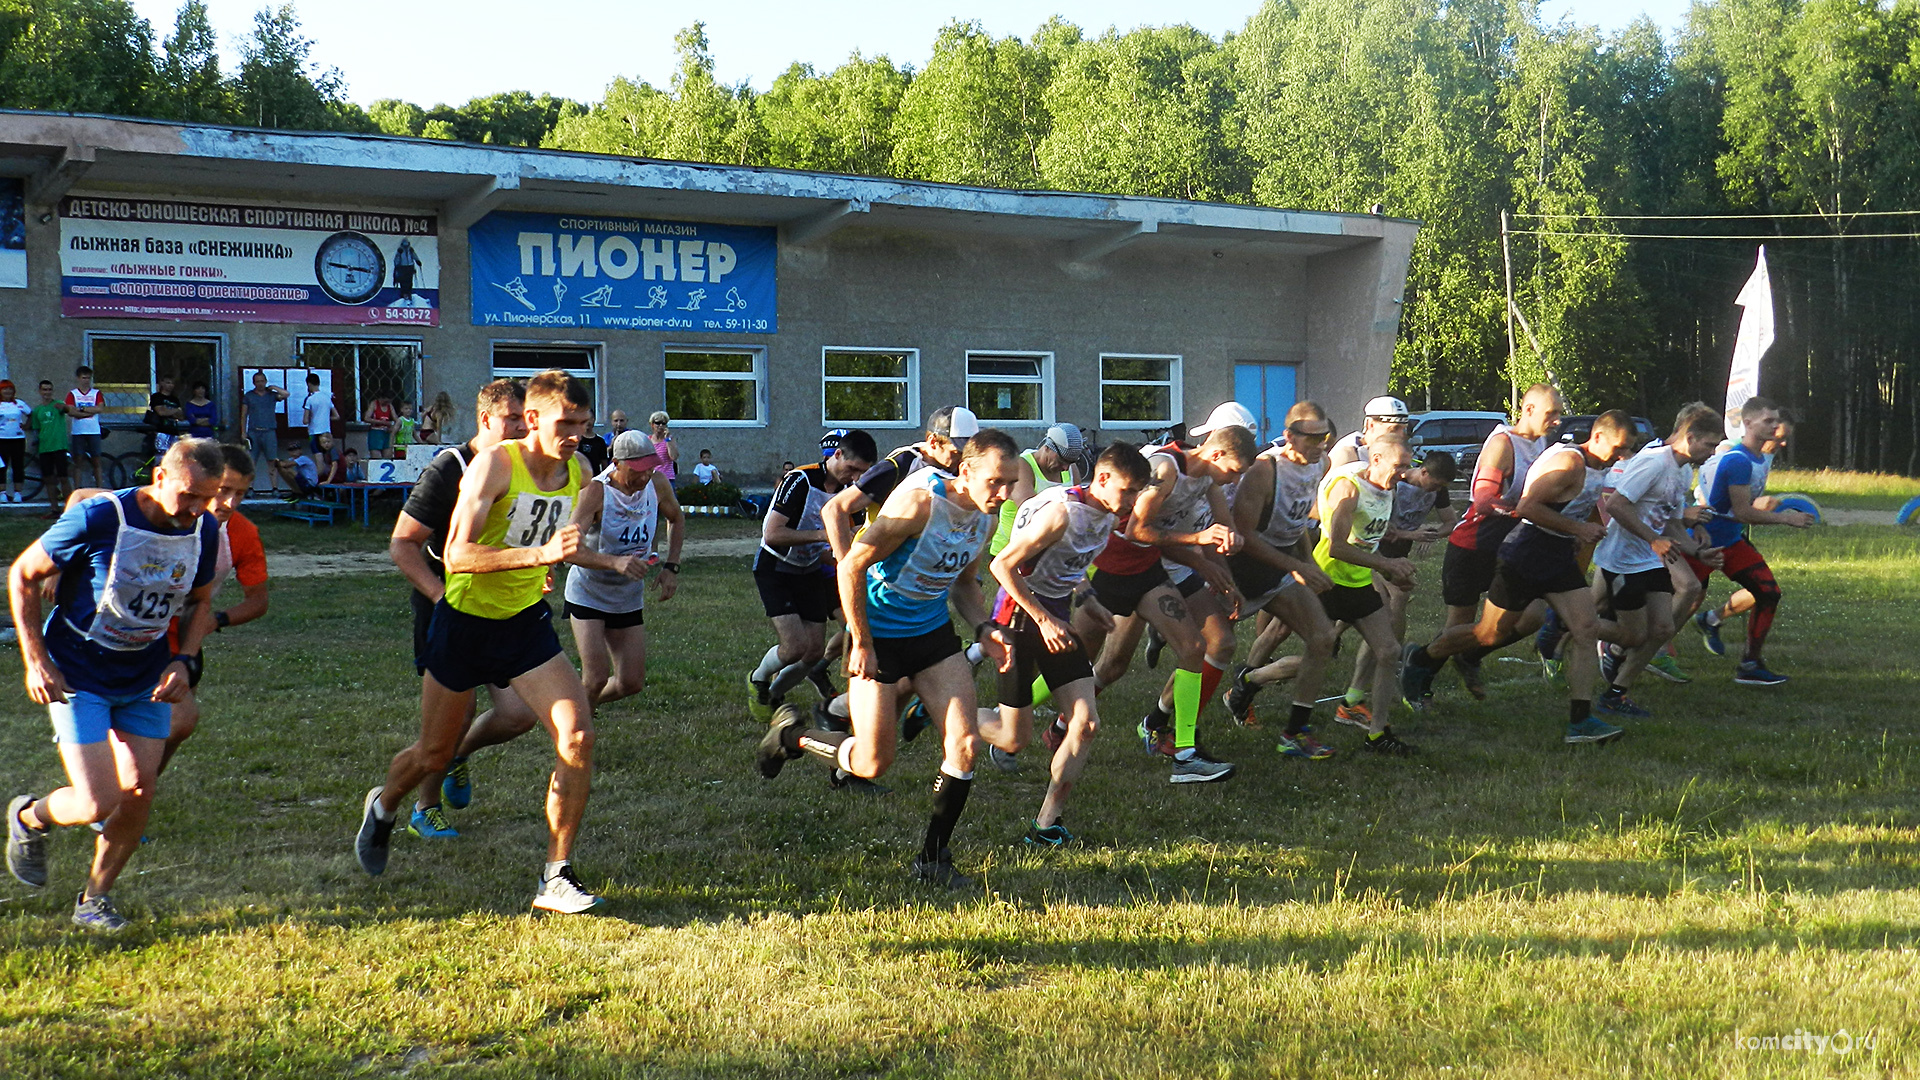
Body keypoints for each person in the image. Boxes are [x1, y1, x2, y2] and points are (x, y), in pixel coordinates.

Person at [355, 370, 605, 915]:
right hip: (463, 622)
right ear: (532, 419)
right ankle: (385, 803)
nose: (576, 436)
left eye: (585, 425)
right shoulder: (493, 464)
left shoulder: (578, 469)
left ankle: (555, 877)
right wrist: (536, 557)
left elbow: (549, 538)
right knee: (433, 754)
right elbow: (458, 554)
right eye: (566, 423)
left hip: (523, 622)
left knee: (578, 734)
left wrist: (595, 559)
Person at [757, 429, 1021, 889]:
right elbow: (853, 564)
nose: (1003, 494)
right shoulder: (921, 503)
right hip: (879, 634)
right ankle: (793, 736)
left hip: (932, 636)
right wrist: (860, 639)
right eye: (996, 482)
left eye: (1010, 483)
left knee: (965, 744)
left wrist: (984, 627)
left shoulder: (985, 517)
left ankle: (932, 860)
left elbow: (963, 584)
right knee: (872, 761)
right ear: (965, 471)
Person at [6, 439, 224, 933]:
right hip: (78, 674)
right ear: (160, 478)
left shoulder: (204, 529)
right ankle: (28, 818)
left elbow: (200, 601)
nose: (196, 510)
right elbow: (21, 574)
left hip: (143, 675)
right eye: (189, 496)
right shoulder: (101, 518)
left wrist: (184, 660)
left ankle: (94, 898)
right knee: (96, 802)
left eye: (206, 499)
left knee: (141, 790)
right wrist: (36, 660)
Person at [1403, 411, 1638, 744]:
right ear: (1598, 437)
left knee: (1585, 628)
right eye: (1618, 447)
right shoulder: (1569, 462)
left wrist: (1577, 535)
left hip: (1557, 554)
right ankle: (1421, 658)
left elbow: (1573, 508)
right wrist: (1577, 528)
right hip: (1526, 553)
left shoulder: (1595, 466)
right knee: (1488, 633)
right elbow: (1527, 507)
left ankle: (1581, 721)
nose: (1621, 455)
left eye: (1627, 449)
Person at [977, 443, 1149, 845]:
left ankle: (1046, 823)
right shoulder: (1061, 514)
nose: (1132, 502)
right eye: (1128, 491)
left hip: (1055, 619)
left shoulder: (1105, 515)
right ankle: (945, 709)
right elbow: (1000, 566)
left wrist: (1088, 598)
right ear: (1103, 479)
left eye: (1139, 493)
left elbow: (1072, 564)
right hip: (1017, 618)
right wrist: (1043, 619)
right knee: (1011, 737)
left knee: (1086, 723)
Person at [64, 445, 272, 778]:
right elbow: (81, 498)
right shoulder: (157, 507)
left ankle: (131, 795)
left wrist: (213, 621)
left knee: (176, 728)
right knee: (178, 719)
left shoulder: (242, 533)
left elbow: (258, 601)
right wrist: (59, 569)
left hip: (182, 636)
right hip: (129, 632)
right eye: (223, 491)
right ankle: (116, 795)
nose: (230, 503)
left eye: (241, 494)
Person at [387, 380, 537, 839]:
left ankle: (457, 756)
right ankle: (423, 807)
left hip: (504, 607)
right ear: (486, 419)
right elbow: (402, 544)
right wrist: (439, 597)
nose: (520, 429)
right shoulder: (449, 468)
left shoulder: (523, 468)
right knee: (458, 711)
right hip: (449, 607)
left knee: (519, 715)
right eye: (512, 419)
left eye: (525, 420)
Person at [1085, 406, 1256, 783]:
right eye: (1234, 471)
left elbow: (1221, 530)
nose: (1234, 480)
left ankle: (1182, 746)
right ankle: (1039, 717)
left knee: (1213, 644)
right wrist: (1199, 545)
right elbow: (1135, 531)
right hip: (1129, 565)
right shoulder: (1165, 469)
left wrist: (1225, 566)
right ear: (1215, 454)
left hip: (1170, 564)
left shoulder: (1210, 480)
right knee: (1109, 666)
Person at [1220, 401, 1340, 755]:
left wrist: (1307, 563)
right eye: (1312, 437)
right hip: (1241, 567)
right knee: (1207, 648)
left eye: (1325, 436)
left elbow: (1297, 522)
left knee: (1322, 639)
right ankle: (1160, 721)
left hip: (1281, 566)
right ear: (1289, 436)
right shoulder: (1263, 470)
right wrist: (1297, 567)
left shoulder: (1322, 464)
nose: (1320, 444)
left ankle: (1294, 733)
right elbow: (1243, 536)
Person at [1429, 383, 1563, 701]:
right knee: (1458, 626)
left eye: (1559, 414)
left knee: (1532, 616)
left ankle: (1471, 657)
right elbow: (1484, 499)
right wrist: (1525, 511)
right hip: (1474, 544)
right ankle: (1419, 671)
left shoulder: (1545, 443)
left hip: (1514, 547)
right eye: (1551, 413)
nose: (1557, 420)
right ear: (1528, 410)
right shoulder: (1503, 444)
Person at [1588, 407, 1724, 716]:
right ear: (1690, 437)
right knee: (1632, 634)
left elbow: (1672, 523)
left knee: (1662, 629)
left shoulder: (1682, 470)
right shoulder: (1653, 462)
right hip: (1622, 561)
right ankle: (1567, 625)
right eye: (1710, 444)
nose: (1713, 452)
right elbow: (1617, 506)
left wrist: (1698, 552)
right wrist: (1653, 540)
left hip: (1648, 560)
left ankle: (1616, 695)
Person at [748, 429, 878, 719]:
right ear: (837, 455)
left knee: (814, 651)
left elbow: (854, 533)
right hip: (776, 567)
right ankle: (758, 679)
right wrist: (824, 534)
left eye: (862, 473)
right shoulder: (800, 479)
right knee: (794, 647)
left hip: (809, 570)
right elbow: (772, 535)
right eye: (852, 468)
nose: (854, 477)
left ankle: (774, 695)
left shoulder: (851, 490)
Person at [1307, 431, 1422, 754]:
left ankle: (1377, 733)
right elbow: (1337, 547)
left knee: (1388, 651)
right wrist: (1387, 564)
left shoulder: (1387, 488)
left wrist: (1391, 573)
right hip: (1326, 580)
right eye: (1398, 465)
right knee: (1311, 654)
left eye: (1407, 466)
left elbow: (1368, 541)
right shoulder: (1350, 488)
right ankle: (1250, 681)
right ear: (1376, 459)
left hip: (1358, 583)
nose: (1403, 473)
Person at [1687, 397, 1812, 686]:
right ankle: (1622, 649)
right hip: (1703, 543)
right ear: (1747, 423)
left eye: (1776, 421)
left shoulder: (1758, 457)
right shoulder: (1738, 459)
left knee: (1768, 592)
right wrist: (1786, 518)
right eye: (1768, 421)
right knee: (1679, 606)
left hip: (1730, 542)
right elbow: (1742, 511)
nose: (1775, 426)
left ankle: (1750, 664)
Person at [564, 429, 686, 705]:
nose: (644, 476)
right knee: (594, 678)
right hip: (589, 592)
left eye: (649, 468)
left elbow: (676, 518)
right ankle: (575, 728)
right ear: (617, 463)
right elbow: (569, 549)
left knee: (630, 682)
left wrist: (671, 566)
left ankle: (578, 709)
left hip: (627, 596)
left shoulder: (656, 483)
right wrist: (614, 562)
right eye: (638, 470)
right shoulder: (596, 491)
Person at [1346, 450, 1455, 709]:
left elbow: (1451, 521)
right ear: (1424, 472)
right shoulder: (1394, 483)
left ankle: (1384, 658)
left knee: (1371, 609)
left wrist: (1432, 534)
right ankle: (1391, 658)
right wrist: (1412, 535)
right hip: (1375, 553)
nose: (1436, 489)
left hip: (1397, 557)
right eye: (1436, 483)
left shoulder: (1437, 491)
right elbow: (1380, 529)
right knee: (1394, 602)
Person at [988, 424, 1085, 558]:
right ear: (1047, 447)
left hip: (1049, 553)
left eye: (1070, 462)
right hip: (1011, 552)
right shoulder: (1023, 465)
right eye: (1061, 460)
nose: (1065, 467)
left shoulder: (1070, 468)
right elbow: (1030, 510)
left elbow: (1081, 508)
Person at [1327, 395, 1413, 468]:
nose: (1400, 435)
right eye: (1394, 429)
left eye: (1403, 429)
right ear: (1370, 425)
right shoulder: (1348, 454)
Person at [240, 371, 288, 492]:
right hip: (253, 432)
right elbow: (244, 415)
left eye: (262, 381)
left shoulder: (271, 395)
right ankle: (250, 488)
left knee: (272, 460)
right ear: (253, 383)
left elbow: (286, 394)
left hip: (269, 431)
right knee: (251, 461)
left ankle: (274, 487)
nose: (260, 384)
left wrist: (273, 387)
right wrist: (243, 432)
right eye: (257, 381)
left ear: (265, 381)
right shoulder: (249, 396)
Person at [30, 380, 72, 510]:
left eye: (49, 390)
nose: (47, 392)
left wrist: (65, 407)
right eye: (44, 390)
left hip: (59, 447)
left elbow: (68, 409)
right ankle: (54, 509)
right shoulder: (37, 410)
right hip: (44, 448)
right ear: (40, 391)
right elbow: (36, 428)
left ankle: (69, 509)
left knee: (63, 478)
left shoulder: (58, 405)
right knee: (49, 480)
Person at [66, 366, 105, 489]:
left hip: (94, 431)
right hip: (78, 432)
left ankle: (99, 488)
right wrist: (89, 412)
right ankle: (77, 489)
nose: (86, 380)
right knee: (78, 461)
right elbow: (71, 411)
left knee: (96, 460)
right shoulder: (73, 394)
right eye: (83, 378)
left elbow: (100, 408)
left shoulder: (96, 393)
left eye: (88, 378)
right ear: (78, 378)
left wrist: (82, 409)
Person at [0, 380, 31, 503]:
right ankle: (2, 493)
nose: (7, 391)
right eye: (4, 389)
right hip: (1, 439)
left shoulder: (19, 403)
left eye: (10, 389)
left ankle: (18, 493)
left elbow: (31, 414)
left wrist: (27, 426)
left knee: (18, 465)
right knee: (2, 467)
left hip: (18, 439)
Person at [298, 372, 337, 453]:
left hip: (313, 432)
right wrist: (325, 417)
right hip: (326, 432)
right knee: (328, 456)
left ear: (309, 384)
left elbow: (305, 421)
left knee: (317, 454)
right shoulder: (326, 397)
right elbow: (336, 416)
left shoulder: (309, 399)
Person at [648, 411, 678, 482]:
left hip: (667, 478)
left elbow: (673, 457)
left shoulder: (670, 439)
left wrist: (667, 439)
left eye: (663, 423)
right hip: (652, 478)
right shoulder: (648, 440)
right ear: (652, 425)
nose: (660, 426)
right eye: (658, 423)